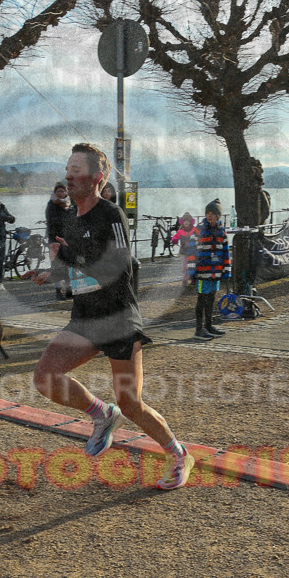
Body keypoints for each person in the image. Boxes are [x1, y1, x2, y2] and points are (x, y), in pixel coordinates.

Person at [27, 142, 194, 490]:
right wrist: (52, 274)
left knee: (131, 403)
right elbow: (75, 269)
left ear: (97, 178)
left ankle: (178, 454)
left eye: (77, 170)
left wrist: (69, 260)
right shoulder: (70, 219)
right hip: (86, 318)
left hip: (118, 319)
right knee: (45, 377)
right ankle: (102, 416)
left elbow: (116, 267)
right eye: (67, 169)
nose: (69, 176)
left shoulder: (110, 214)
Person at [188, 200, 231, 341]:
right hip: (202, 272)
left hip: (216, 272)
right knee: (202, 299)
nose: (209, 216)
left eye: (212, 214)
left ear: (218, 215)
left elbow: (225, 252)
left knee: (211, 299)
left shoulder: (221, 230)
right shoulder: (198, 230)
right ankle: (199, 329)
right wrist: (191, 272)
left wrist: (226, 270)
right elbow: (191, 251)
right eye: (207, 213)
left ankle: (209, 325)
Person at [45, 181, 75, 299]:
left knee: (68, 265)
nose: (61, 193)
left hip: (66, 239)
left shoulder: (70, 203)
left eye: (63, 191)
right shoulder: (51, 205)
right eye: (59, 191)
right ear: (55, 192)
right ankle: (58, 291)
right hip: (54, 239)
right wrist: (66, 217)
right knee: (57, 266)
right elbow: (52, 221)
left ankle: (68, 290)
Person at [170, 212, 198, 287]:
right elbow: (175, 237)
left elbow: (200, 235)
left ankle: (193, 279)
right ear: (182, 222)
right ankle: (185, 280)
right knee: (185, 267)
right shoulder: (180, 231)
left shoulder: (194, 230)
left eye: (188, 221)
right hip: (184, 251)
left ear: (190, 222)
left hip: (193, 251)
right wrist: (174, 240)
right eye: (185, 221)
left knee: (193, 265)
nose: (186, 222)